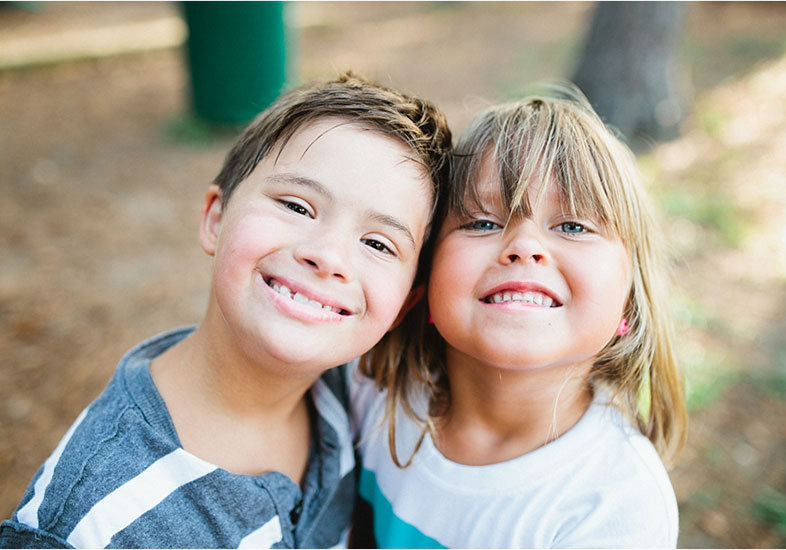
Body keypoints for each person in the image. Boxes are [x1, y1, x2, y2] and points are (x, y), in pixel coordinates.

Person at [0, 72, 451, 549]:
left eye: (378, 243)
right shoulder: (85, 524)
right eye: (297, 206)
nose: (329, 256)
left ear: (405, 305)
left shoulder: (352, 396)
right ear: (216, 218)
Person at [351, 87, 688, 548]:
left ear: (629, 299)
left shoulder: (615, 507)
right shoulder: (367, 384)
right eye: (482, 222)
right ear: (426, 275)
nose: (524, 246)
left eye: (573, 226)